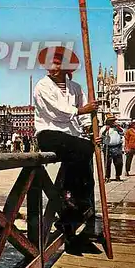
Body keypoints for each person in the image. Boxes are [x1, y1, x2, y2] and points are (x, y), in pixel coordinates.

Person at [34, 46, 100, 248]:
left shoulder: (76, 87)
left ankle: (70, 214)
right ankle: (70, 196)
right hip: (48, 133)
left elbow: (87, 116)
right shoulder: (42, 86)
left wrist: (92, 132)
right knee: (83, 149)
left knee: (85, 153)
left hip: (73, 137)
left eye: (55, 64)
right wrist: (81, 110)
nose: (50, 69)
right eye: (49, 65)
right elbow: (57, 113)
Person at [100, 114, 124, 182]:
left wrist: (118, 127)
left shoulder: (117, 128)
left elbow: (122, 133)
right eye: (111, 121)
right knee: (107, 163)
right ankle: (107, 177)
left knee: (119, 162)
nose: (113, 122)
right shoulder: (104, 128)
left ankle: (118, 175)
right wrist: (105, 131)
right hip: (108, 147)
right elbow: (102, 136)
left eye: (113, 121)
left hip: (117, 147)